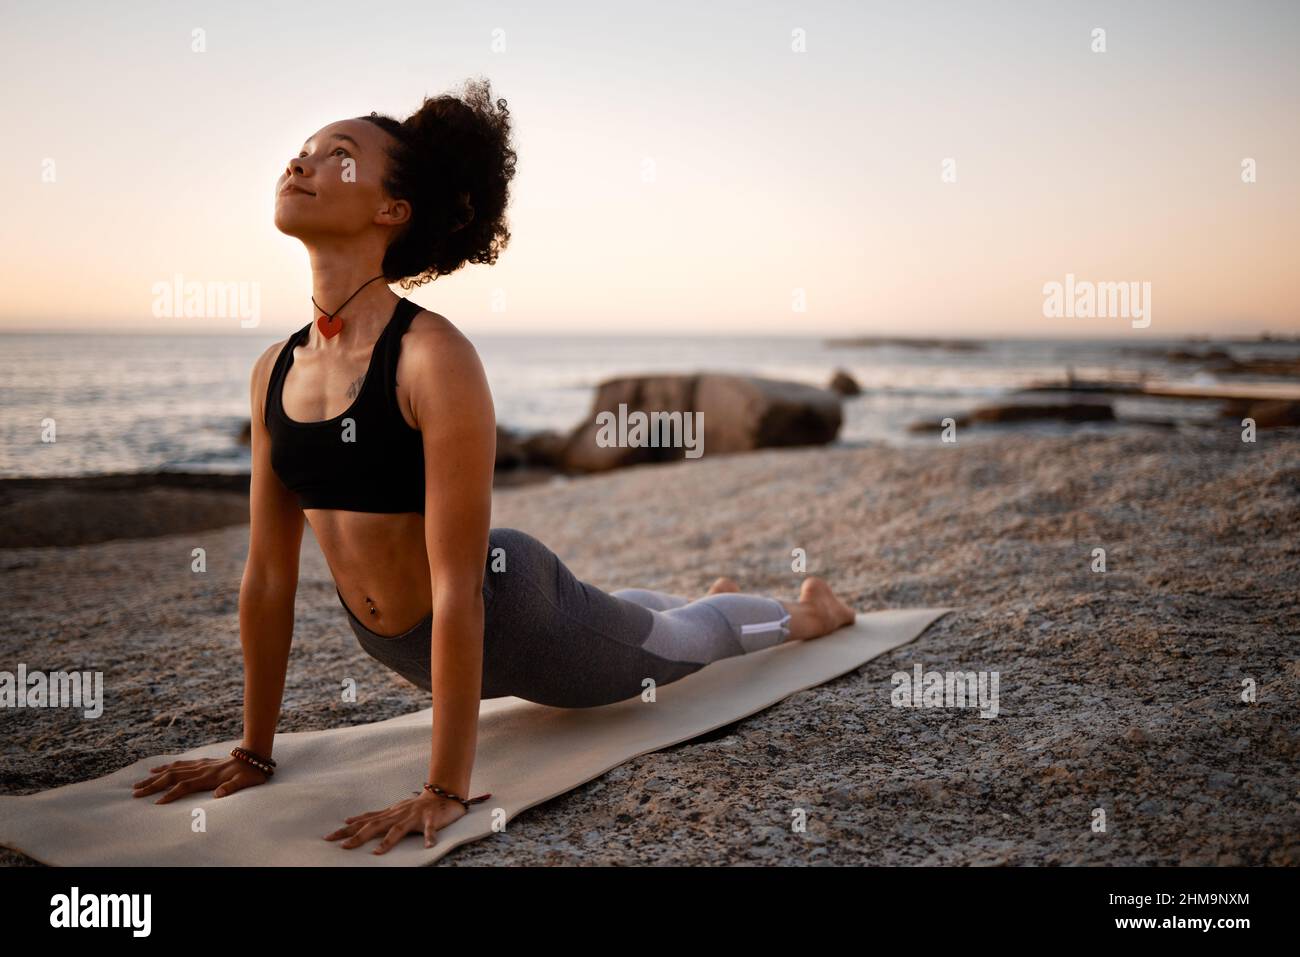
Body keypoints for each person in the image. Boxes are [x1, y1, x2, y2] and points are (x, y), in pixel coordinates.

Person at [129, 77, 858, 854]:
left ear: (391, 210)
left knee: (677, 647)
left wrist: (445, 789)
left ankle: (811, 614)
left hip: (514, 618)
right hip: (410, 643)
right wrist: (253, 750)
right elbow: (269, 576)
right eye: (303, 151)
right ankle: (711, 598)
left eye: (336, 156)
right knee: (638, 617)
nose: (302, 163)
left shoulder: (433, 357)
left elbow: (458, 587)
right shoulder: (275, 368)